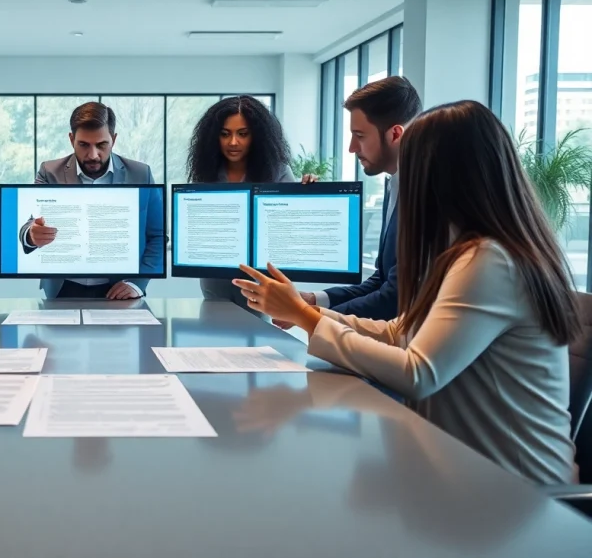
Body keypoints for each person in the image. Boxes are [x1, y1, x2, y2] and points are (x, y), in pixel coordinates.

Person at [233, 100, 579, 485]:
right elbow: (402, 332)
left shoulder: (490, 261)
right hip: (463, 467)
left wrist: (307, 318)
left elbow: (418, 372)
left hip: (511, 491)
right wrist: (305, 311)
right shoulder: (467, 251)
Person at [292, 76, 421, 322]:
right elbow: (382, 279)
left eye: (359, 136)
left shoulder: (422, 194)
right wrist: (315, 300)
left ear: (395, 134)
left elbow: (395, 297)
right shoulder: (394, 185)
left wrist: (311, 317)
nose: (352, 148)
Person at [19, 101, 166, 299]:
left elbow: (157, 235)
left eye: (101, 145)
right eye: (84, 145)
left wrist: (138, 283)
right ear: (71, 140)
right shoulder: (49, 172)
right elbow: (27, 224)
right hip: (62, 288)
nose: (93, 155)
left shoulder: (140, 174)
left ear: (113, 139)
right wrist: (32, 234)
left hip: (120, 289)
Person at [187, 95, 315, 311]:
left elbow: (289, 228)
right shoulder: (207, 173)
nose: (233, 142)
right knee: (211, 335)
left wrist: (308, 194)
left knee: (258, 340)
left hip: (260, 279)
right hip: (214, 278)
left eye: (243, 134)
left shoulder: (278, 172)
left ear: (257, 136)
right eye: (225, 134)